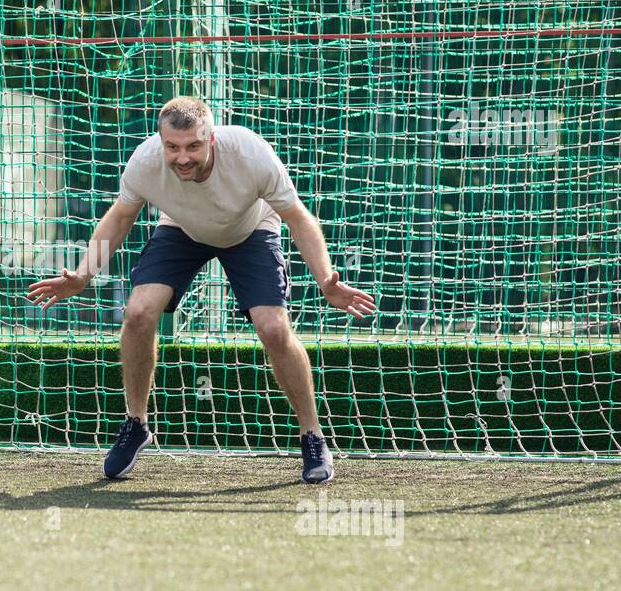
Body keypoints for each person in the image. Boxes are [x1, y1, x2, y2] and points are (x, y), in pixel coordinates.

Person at [27, 96, 375, 484]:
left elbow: (298, 218)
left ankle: (312, 435)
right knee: (139, 313)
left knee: (274, 329)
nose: (182, 157)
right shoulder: (145, 162)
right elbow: (121, 216)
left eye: (193, 145)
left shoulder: (250, 154)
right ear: (161, 142)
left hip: (251, 230)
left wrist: (327, 280)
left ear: (211, 138)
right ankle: (136, 425)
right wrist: (83, 275)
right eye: (173, 147)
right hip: (181, 229)